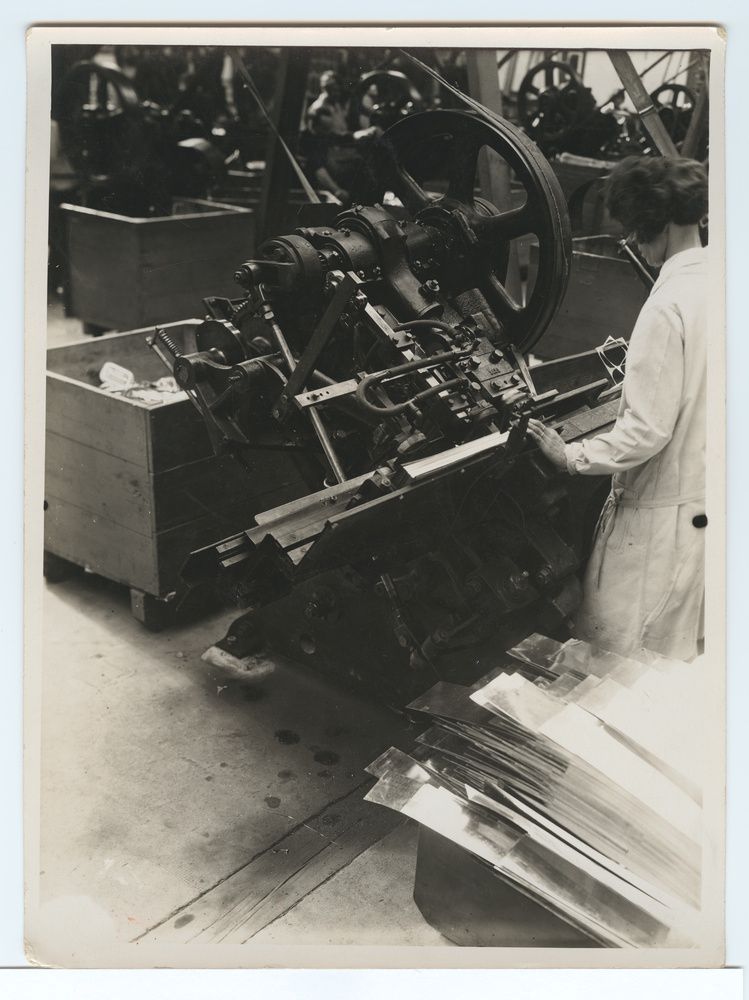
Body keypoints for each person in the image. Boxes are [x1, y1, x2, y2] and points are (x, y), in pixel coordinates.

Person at [528, 155, 708, 661]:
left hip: (655, 529)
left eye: (634, 230)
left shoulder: (666, 305)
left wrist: (571, 456)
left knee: (615, 660)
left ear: (654, 225)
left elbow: (645, 432)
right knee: (669, 661)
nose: (634, 242)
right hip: (704, 512)